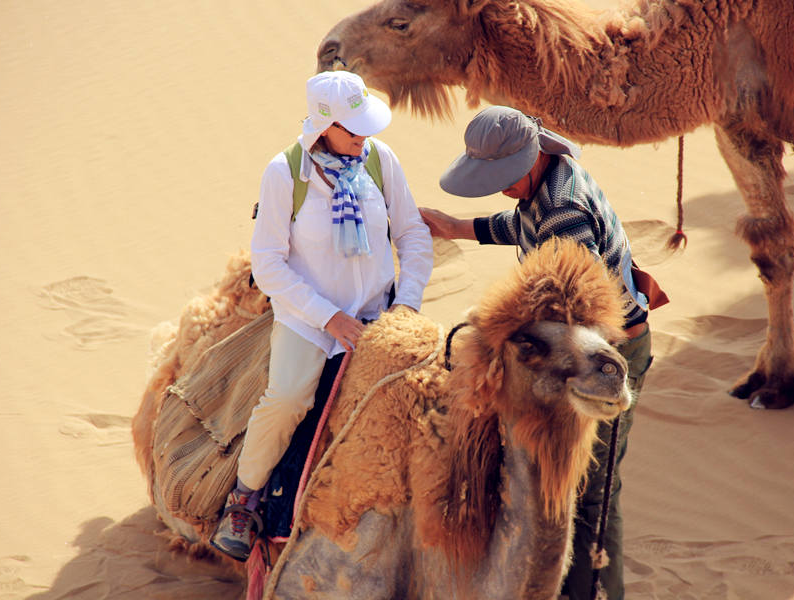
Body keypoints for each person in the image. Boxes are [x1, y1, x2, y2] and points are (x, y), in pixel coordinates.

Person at [419, 106, 664, 600]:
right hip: (575, 352)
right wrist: (455, 227)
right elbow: (521, 225)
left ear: (530, 159)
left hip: (604, 358)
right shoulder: (547, 182)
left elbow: (579, 317)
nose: (502, 187)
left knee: (591, 491)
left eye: (505, 178)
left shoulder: (564, 211)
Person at [210, 71, 434, 561]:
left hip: (380, 316)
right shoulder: (284, 173)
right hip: (307, 320)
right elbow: (268, 263)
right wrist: (328, 317)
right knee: (288, 397)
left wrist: (405, 307)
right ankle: (244, 500)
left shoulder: (380, 161)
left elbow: (413, 235)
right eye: (353, 130)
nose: (364, 138)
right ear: (323, 126)